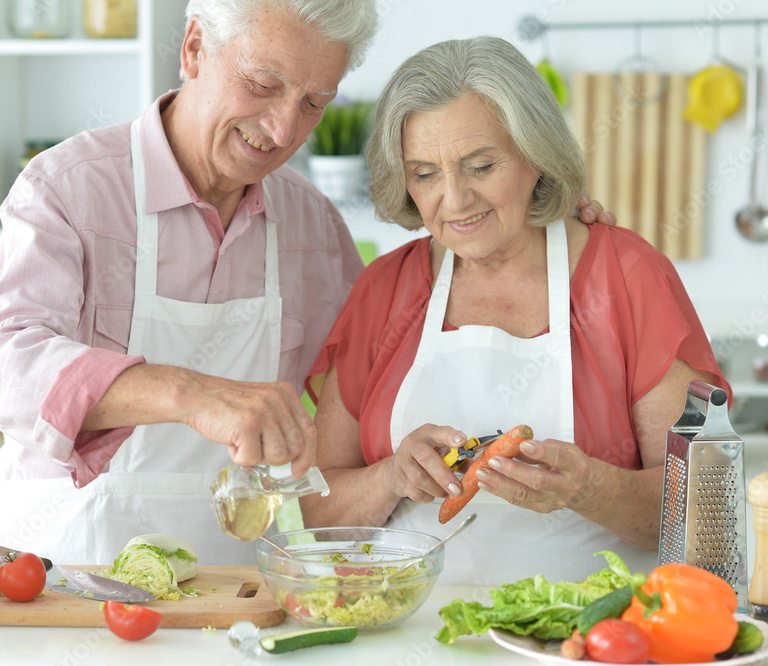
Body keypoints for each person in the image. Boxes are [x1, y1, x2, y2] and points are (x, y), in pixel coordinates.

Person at [0, 1, 611, 566]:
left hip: (241, 596)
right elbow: (2, 363)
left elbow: (376, 383)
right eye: (262, 84)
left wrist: (544, 209)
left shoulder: (311, 225)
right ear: (193, 48)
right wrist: (189, 392)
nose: (281, 129)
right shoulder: (70, 188)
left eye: (312, 103)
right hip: (65, 580)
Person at [300, 36, 729, 585]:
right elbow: (316, 515)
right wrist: (389, 478)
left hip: (585, 633)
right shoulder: (384, 290)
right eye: (425, 173)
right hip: (406, 630)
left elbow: (703, 512)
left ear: (535, 155)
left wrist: (586, 487)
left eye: (481, 166)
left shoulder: (626, 277)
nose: (455, 200)